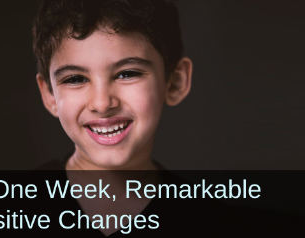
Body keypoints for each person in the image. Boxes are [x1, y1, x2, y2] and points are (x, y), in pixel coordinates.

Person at [32, 0, 303, 236]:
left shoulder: (214, 224)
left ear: (174, 82)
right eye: (76, 79)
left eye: (127, 73)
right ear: (49, 95)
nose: (102, 104)